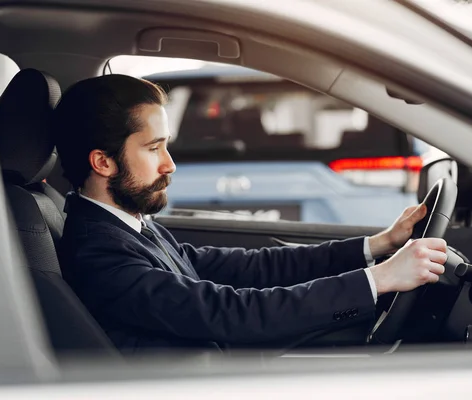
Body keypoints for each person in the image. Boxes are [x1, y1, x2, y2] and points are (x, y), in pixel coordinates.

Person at [53, 74, 448, 353]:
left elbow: (249, 268)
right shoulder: (99, 252)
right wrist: (377, 280)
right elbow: (229, 313)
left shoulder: (128, 226)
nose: (169, 164)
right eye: (154, 148)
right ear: (103, 162)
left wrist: (376, 245)